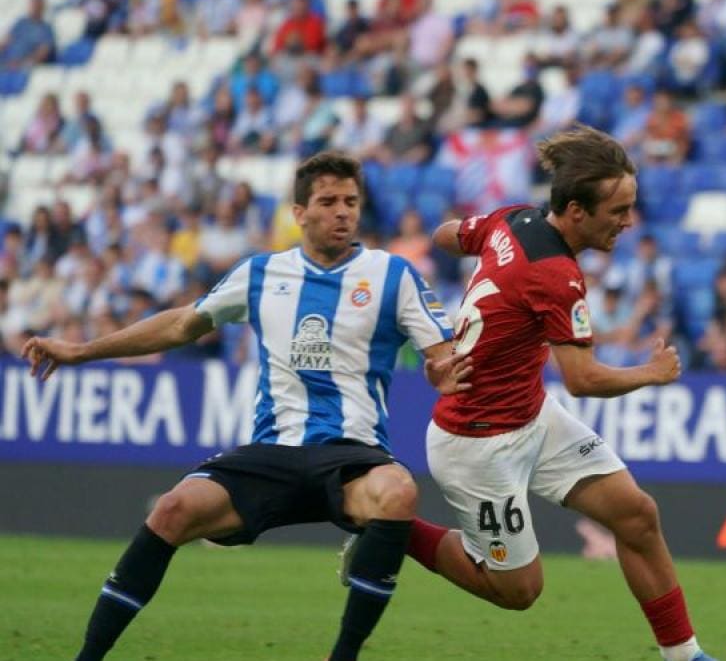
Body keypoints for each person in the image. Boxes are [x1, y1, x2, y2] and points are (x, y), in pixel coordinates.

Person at [21, 152, 472, 661]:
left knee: (398, 492)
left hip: (352, 455)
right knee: (171, 510)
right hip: (272, 453)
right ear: (299, 212)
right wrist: (81, 351)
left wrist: (441, 369)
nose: (342, 212)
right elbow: (179, 325)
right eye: (327, 201)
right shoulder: (263, 273)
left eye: (350, 201)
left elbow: (442, 354)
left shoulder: (393, 275)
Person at [353, 126, 717, 661]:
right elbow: (583, 379)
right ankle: (391, 530)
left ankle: (685, 656)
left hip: (531, 415)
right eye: (617, 211)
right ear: (575, 212)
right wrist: (652, 372)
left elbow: (445, 235)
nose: (628, 222)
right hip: (479, 442)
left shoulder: (512, 219)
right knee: (519, 591)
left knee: (636, 514)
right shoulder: (557, 275)